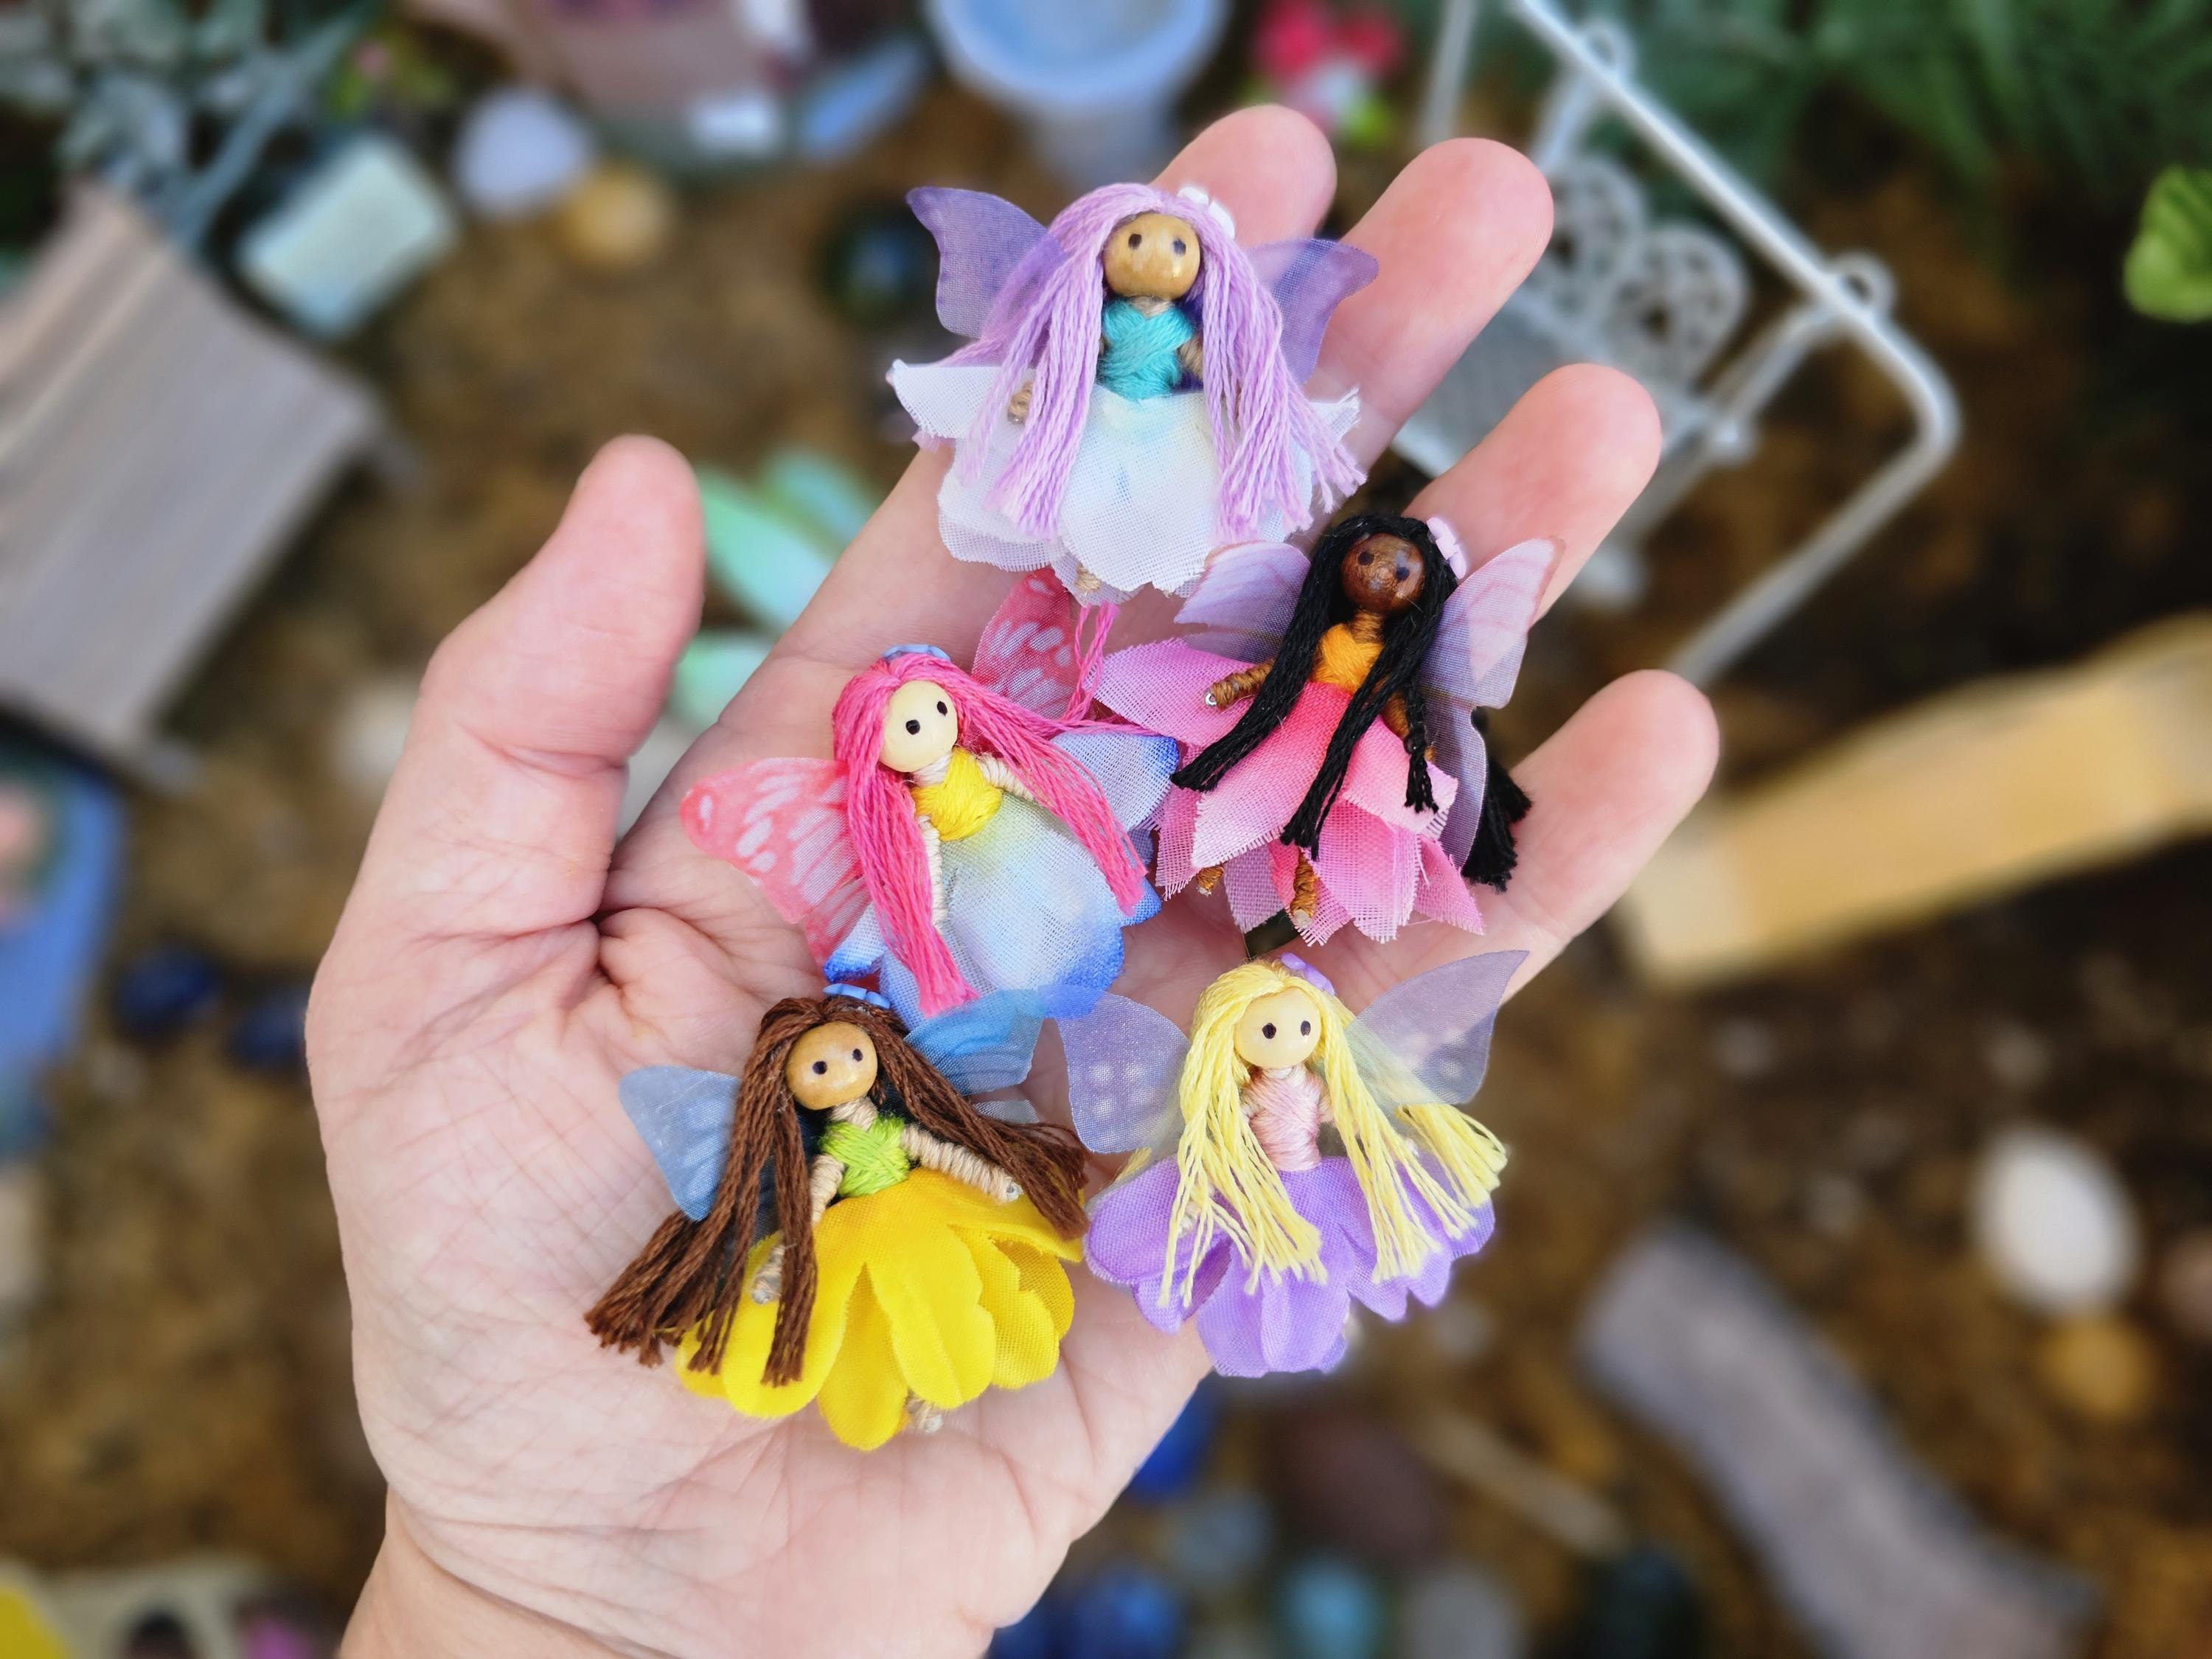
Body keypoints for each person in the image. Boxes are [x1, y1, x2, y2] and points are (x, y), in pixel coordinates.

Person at [307, 106, 1717, 1658]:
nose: (1158, 262)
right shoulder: (894, 981)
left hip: (1168, 805)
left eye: (1174, 253)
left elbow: (1114, 795)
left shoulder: (1268, 643)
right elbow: (925, 1003)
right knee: (933, 1271)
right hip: (973, 943)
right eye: (1137, 249)